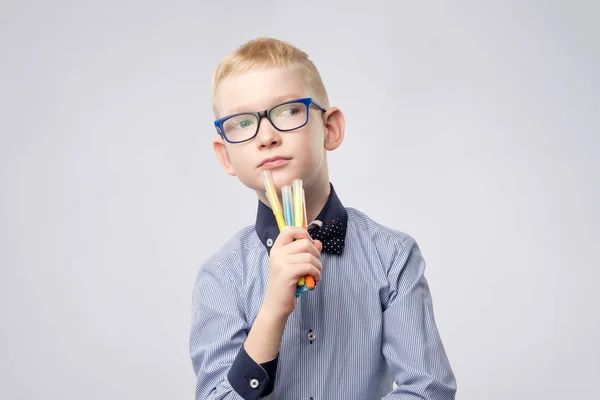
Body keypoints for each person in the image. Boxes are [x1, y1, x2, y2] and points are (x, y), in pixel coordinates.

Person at [189, 37, 457, 399]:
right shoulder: (220, 277)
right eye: (242, 122)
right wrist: (271, 313)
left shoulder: (393, 256)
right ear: (225, 156)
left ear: (330, 128)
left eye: (287, 111)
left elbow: (429, 389)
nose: (266, 136)